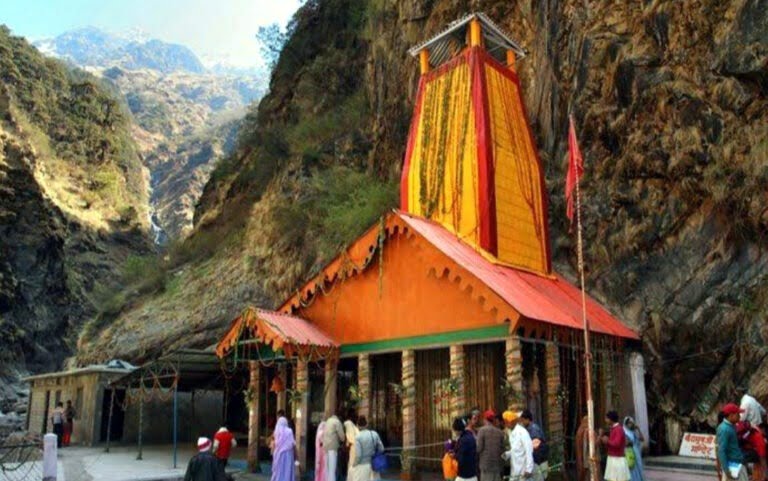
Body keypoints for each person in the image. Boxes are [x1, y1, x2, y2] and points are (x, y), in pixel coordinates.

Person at [718, 403, 749, 481]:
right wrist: (726, 470)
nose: (740, 416)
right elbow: (722, 450)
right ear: (731, 415)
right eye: (738, 414)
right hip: (733, 466)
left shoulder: (731, 426)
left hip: (736, 464)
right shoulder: (725, 429)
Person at [350, 416, 384, 481]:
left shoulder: (357, 437)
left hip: (363, 466)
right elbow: (381, 448)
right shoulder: (374, 434)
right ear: (367, 424)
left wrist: (354, 465)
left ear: (358, 426)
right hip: (374, 465)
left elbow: (359, 455)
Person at [502, 411, 534, 480]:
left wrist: (529, 469)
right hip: (515, 469)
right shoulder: (510, 432)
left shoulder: (522, 432)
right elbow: (516, 449)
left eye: (507, 422)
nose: (506, 424)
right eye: (505, 422)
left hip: (523, 469)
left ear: (513, 421)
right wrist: (507, 454)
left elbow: (529, 450)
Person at [519, 410, 549, 481]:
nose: (522, 423)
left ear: (528, 419)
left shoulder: (533, 429)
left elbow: (535, 445)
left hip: (538, 460)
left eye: (523, 420)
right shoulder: (529, 429)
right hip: (536, 460)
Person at [600, 411, 630, 481]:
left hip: (617, 460)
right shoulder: (614, 429)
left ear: (610, 419)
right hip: (613, 458)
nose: (605, 420)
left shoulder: (618, 429)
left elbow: (617, 444)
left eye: (606, 418)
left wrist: (607, 441)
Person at [476, 410, 504, 481]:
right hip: (497, 466)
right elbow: (502, 449)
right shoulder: (500, 432)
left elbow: (478, 448)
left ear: (485, 419)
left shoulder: (482, 430)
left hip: (486, 466)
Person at [271, 416, 297, 481]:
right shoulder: (289, 431)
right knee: (287, 471)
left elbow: (274, 444)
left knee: (279, 471)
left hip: (279, 455)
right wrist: (296, 457)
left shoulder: (277, 431)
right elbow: (293, 444)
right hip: (288, 455)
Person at [323, 411, 346, 481]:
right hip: (332, 448)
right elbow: (342, 437)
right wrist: (343, 439)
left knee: (327, 468)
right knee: (332, 469)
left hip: (325, 447)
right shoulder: (337, 422)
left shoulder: (328, 421)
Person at [454, 417, 478, 481]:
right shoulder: (470, 436)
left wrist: (454, 456)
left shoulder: (463, 440)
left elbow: (461, 458)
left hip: (464, 475)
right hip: (473, 472)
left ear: (457, 430)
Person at [623, 417, 645, 481]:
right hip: (629, 453)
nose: (631, 424)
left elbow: (642, 439)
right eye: (629, 423)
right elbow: (625, 443)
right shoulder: (624, 432)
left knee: (638, 467)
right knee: (631, 467)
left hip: (636, 452)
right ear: (626, 424)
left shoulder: (632, 432)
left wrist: (638, 429)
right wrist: (630, 443)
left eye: (632, 423)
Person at [343, 409, 360, 478]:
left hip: (353, 448)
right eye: (355, 414)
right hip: (352, 447)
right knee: (352, 466)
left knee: (351, 466)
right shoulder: (348, 423)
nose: (357, 416)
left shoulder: (352, 424)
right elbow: (350, 438)